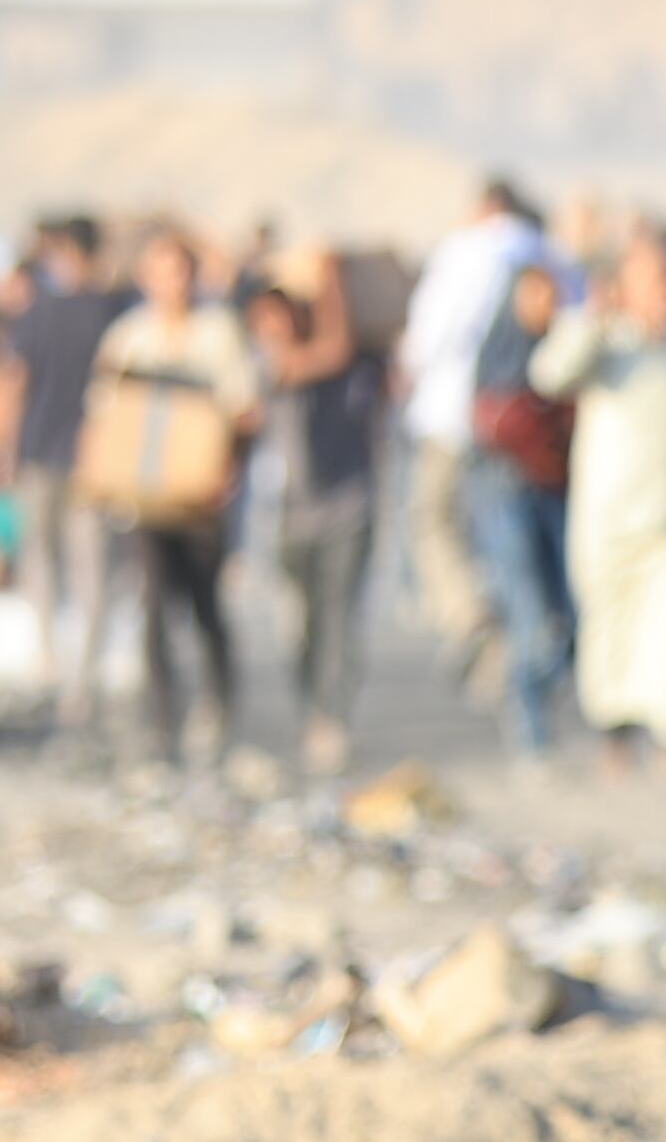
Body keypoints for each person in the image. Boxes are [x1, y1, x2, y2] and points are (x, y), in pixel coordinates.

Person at [535, 227, 666, 776]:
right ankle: (615, 733)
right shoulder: (606, 344)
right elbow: (548, 376)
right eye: (654, 278)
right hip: (609, 518)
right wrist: (591, 316)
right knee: (610, 630)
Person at [90, 226, 265, 773]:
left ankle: (219, 706)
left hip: (202, 503)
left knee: (205, 606)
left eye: (180, 271)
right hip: (143, 502)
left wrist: (224, 465)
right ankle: (161, 722)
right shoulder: (129, 337)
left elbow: (245, 410)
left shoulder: (217, 334)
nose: (172, 283)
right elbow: (106, 414)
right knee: (150, 607)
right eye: (161, 272)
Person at [396, 177, 555, 703]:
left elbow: (429, 336)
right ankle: (520, 648)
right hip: (530, 426)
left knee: (435, 519)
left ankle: (471, 616)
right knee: (511, 542)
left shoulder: (465, 252)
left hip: (455, 418)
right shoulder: (548, 254)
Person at [249, 259, 381, 772]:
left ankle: (333, 719)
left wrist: (330, 277)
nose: (272, 331)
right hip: (287, 518)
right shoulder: (264, 367)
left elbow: (336, 347)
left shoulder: (339, 359)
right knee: (300, 627)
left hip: (348, 507)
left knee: (339, 622)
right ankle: (312, 713)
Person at [0, 219, 128, 735]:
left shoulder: (39, 310)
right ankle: (81, 679)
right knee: (88, 569)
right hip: (91, 460)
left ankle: (51, 659)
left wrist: (5, 447)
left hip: (46, 453)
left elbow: (16, 381)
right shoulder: (115, 309)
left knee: (44, 558)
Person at [464, 254, 579, 759]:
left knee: (571, 616)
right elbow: (495, 423)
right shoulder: (499, 354)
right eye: (535, 296)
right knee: (529, 613)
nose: (544, 307)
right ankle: (530, 727)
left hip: (556, 492)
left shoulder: (563, 352)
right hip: (505, 492)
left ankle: (527, 690)